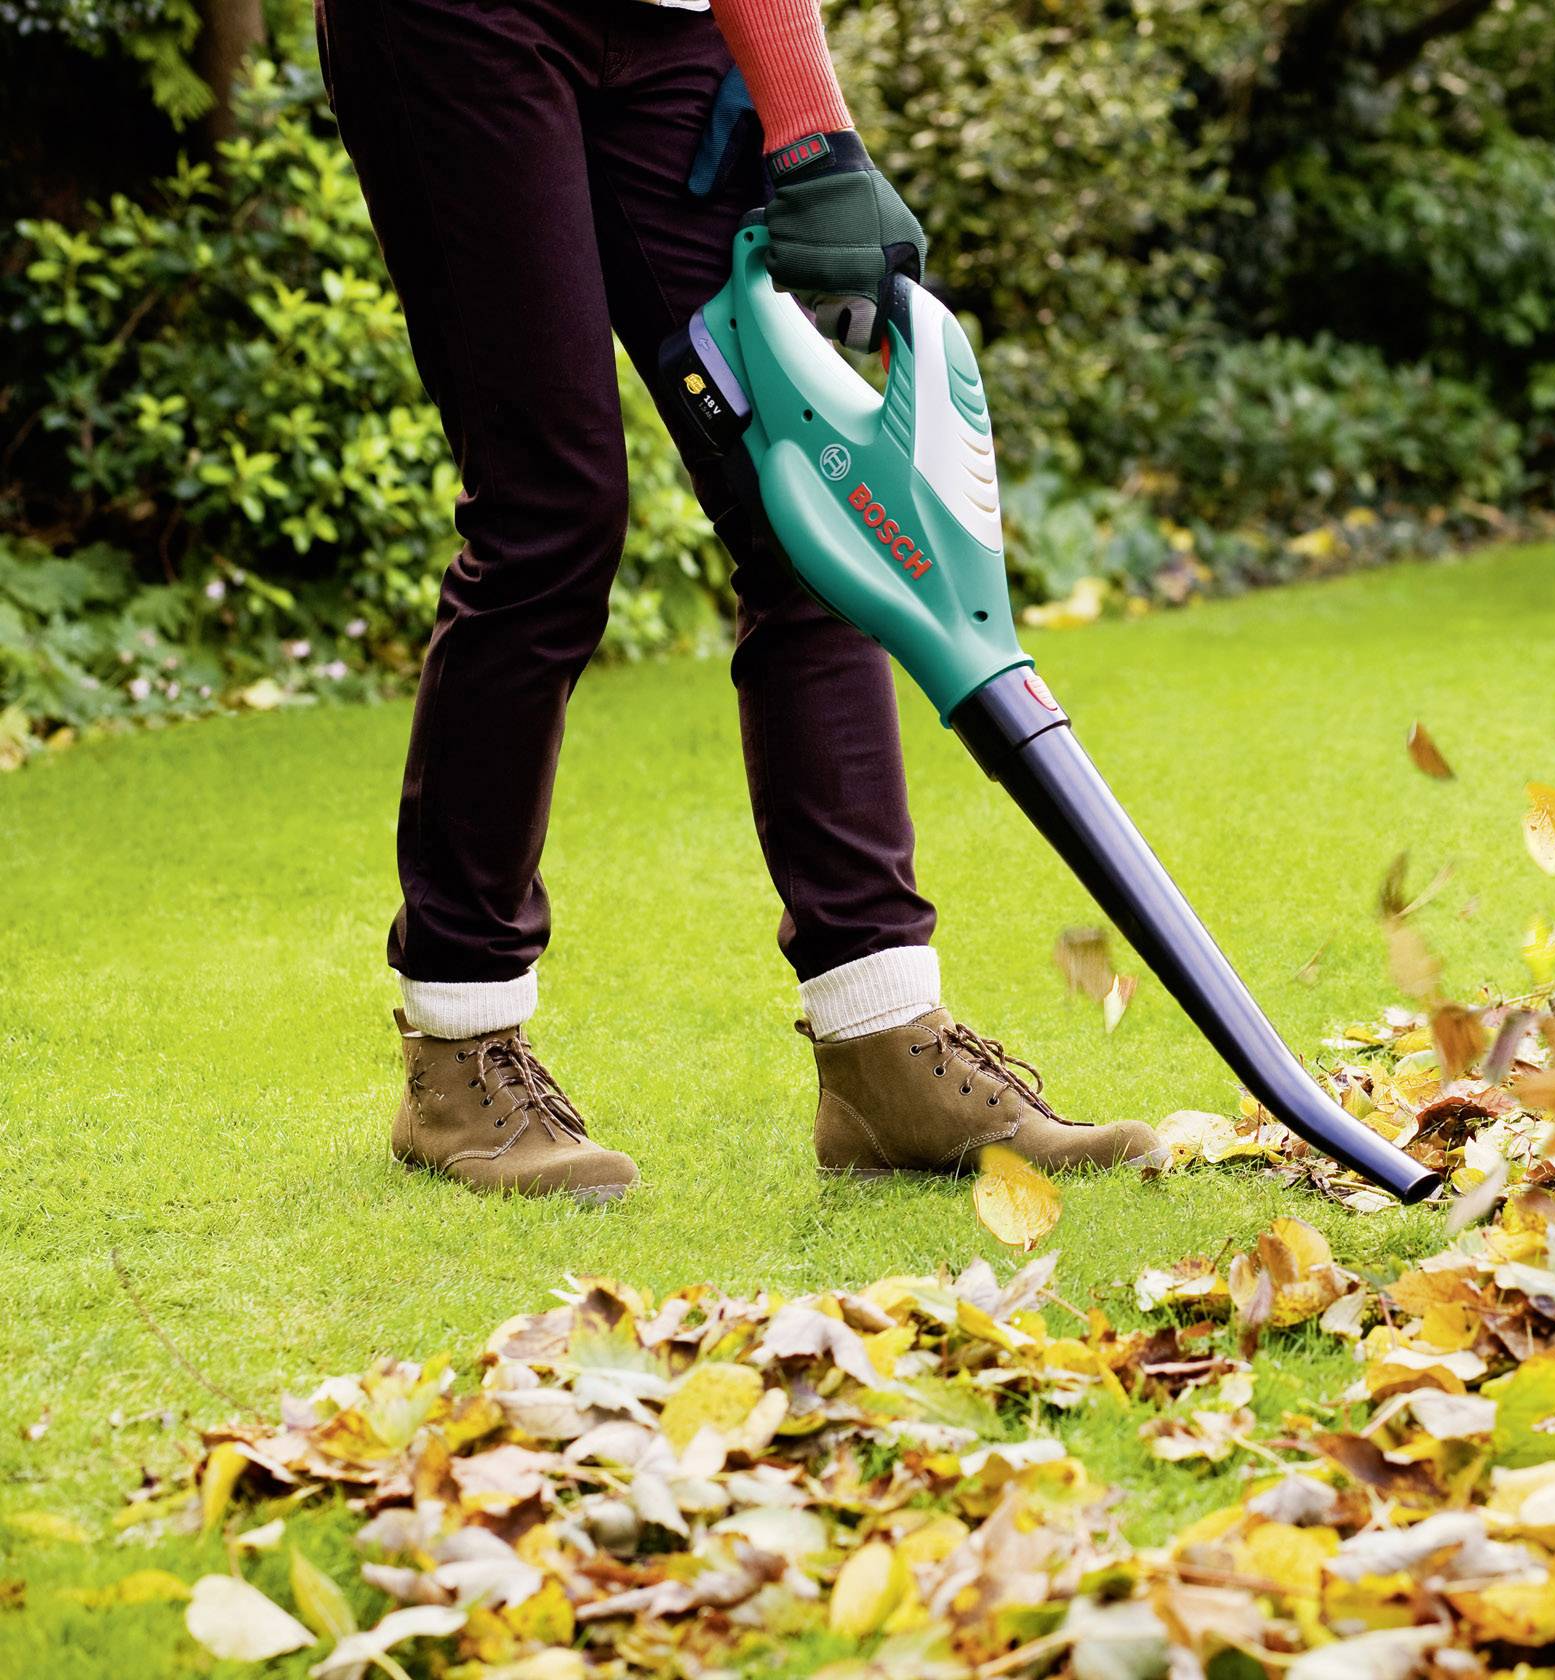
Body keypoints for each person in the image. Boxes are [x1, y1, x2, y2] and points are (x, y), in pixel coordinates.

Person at [313, 0, 1162, 1201]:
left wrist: (818, 139)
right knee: (548, 513)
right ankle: (458, 1058)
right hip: (463, 23)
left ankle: (883, 1045)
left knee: (817, 513)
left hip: (666, 29)